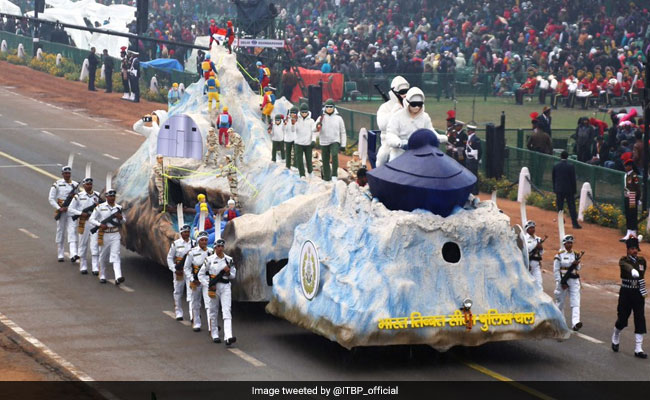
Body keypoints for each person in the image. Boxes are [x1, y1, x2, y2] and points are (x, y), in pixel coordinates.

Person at [385, 87, 446, 163]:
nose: (417, 107)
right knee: (385, 161)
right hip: (400, 153)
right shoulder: (397, 116)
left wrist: (439, 138)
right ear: (407, 103)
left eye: (419, 104)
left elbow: (430, 131)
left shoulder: (425, 117)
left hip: (420, 153)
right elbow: (391, 134)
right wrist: (399, 143)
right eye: (413, 104)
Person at [612, 237, 647, 358]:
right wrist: (632, 270)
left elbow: (642, 273)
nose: (634, 251)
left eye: (636, 248)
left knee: (640, 318)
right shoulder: (623, 260)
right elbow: (626, 266)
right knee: (622, 318)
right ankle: (616, 334)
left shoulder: (642, 261)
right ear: (627, 250)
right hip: (626, 292)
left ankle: (638, 348)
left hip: (638, 292)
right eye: (632, 249)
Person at [199, 238, 237, 345]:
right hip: (213, 287)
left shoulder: (229, 260)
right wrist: (209, 285)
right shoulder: (209, 260)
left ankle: (228, 336)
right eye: (218, 246)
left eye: (222, 246)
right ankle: (214, 333)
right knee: (213, 310)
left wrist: (229, 273)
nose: (220, 248)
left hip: (225, 287)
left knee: (227, 310)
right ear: (215, 248)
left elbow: (234, 275)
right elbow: (200, 275)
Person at [89, 189, 125, 285]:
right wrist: (100, 225)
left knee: (116, 255)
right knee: (103, 255)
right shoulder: (100, 207)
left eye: (113, 196)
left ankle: (118, 276)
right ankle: (102, 275)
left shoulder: (119, 208)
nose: (112, 198)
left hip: (115, 233)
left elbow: (123, 221)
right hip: (104, 234)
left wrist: (121, 218)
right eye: (110, 196)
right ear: (106, 197)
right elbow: (91, 219)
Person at [68, 177, 101, 275]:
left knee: (95, 245)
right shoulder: (78, 196)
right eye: (87, 184)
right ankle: (83, 266)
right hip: (84, 222)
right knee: (83, 244)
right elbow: (70, 209)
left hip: (94, 222)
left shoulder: (97, 196)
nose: (89, 186)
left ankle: (95, 267)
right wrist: (80, 213)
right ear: (83, 185)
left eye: (90, 184)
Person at [376, 76, 409, 167]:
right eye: (402, 92)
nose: (405, 95)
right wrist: (394, 112)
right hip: (388, 143)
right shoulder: (385, 107)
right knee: (382, 157)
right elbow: (382, 125)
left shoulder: (412, 106)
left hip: (408, 141)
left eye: (407, 91)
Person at [184, 231, 213, 332]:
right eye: (202, 240)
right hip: (195, 281)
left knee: (209, 303)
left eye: (206, 240)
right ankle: (196, 323)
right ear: (198, 241)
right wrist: (192, 279)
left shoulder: (211, 252)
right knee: (195, 303)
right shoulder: (192, 252)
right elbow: (186, 268)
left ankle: (211, 327)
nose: (204, 242)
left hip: (206, 280)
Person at [48, 166, 79, 262]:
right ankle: (60, 253)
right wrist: (59, 208)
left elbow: (78, 199)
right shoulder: (57, 184)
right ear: (62, 174)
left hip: (70, 211)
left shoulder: (74, 185)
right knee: (60, 231)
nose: (67, 175)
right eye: (65, 173)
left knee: (72, 230)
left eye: (68, 173)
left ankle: (73, 253)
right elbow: (51, 198)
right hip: (61, 211)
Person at [553, 234, 583, 331]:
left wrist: (576, 264)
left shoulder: (576, 254)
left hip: (574, 280)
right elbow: (556, 270)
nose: (570, 245)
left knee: (575, 302)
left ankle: (576, 322)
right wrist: (560, 282)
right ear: (564, 244)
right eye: (568, 243)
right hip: (563, 280)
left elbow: (578, 268)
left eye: (571, 243)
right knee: (560, 302)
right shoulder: (559, 255)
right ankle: (560, 322)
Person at [314, 99, 346, 181]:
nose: (329, 108)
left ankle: (334, 175)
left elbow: (343, 132)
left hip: (335, 141)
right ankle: (327, 177)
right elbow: (314, 129)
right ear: (324, 108)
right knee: (325, 160)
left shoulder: (339, 118)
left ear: (334, 107)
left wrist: (343, 145)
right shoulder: (321, 118)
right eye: (327, 107)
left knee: (334, 155)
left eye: (330, 107)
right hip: (324, 141)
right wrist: (317, 125)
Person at [166, 224, 193, 321]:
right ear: (181, 233)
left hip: (189, 271)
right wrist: (174, 269)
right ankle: (178, 311)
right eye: (185, 232)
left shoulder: (193, 244)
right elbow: (169, 257)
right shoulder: (176, 244)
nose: (186, 234)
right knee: (178, 291)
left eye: (188, 232)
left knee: (191, 293)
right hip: (179, 271)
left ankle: (192, 314)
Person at [552, 151, 582, 229]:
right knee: (572, 207)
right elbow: (573, 179)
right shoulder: (571, 166)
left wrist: (555, 188)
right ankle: (574, 224)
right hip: (569, 190)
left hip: (559, 189)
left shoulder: (556, 166)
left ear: (560, 156)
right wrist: (574, 190)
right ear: (567, 157)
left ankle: (561, 222)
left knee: (560, 207)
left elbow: (554, 178)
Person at [294, 103, 316, 178]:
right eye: (302, 112)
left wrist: (313, 140)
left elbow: (314, 132)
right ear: (300, 112)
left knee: (308, 159)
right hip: (298, 143)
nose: (304, 113)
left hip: (308, 143)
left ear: (308, 112)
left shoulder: (311, 121)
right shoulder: (296, 120)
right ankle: (302, 174)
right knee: (299, 160)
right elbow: (293, 130)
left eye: (305, 112)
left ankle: (310, 172)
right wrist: (293, 123)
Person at [622, 159, 640, 241]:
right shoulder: (626, 175)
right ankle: (629, 231)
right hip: (627, 196)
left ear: (630, 166)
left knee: (632, 214)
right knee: (628, 214)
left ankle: (633, 232)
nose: (625, 167)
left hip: (632, 196)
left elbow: (637, 188)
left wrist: (638, 198)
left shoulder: (634, 176)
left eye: (626, 166)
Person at [524, 221, 545, 289]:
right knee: (528, 284)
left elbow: (541, 253)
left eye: (533, 227)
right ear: (527, 229)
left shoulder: (538, 239)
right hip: (528, 264)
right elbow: (526, 250)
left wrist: (541, 248)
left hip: (536, 265)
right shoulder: (524, 239)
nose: (533, 229)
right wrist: (535, 246)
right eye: (531, 228)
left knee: (539, 283)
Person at [465, 124, 481, 195]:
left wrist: (477, 158)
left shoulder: (475, 139)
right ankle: (471, 189)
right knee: (469, 174)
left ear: (471, 131)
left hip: (473, 159)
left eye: (468, 130)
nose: (467, 132)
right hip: (469, 158)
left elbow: (479, 150)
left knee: (473, 174)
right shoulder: (470, 138)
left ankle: (475, 190)